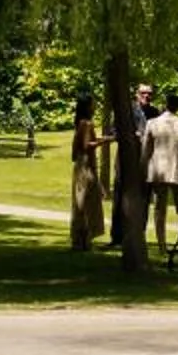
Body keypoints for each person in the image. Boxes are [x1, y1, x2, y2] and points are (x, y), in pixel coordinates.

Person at [140, 91, 178, 258]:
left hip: (158, 171)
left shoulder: (152, 123)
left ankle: (162, 245)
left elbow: (145, 151)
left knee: (159, 209)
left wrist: (142, 170)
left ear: (165, 105)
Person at [65, 96, 108, 252]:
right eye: (92, 104)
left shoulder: (81, 124)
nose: (95, 107)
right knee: (85, 203)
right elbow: (87, 145)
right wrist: (105, 142)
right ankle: (82, 240)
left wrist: (105, 138)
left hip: (81, 165)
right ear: (87, 107)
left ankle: (83, 239)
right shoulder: (86, 124)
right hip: (85, 166)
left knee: (83, 202)